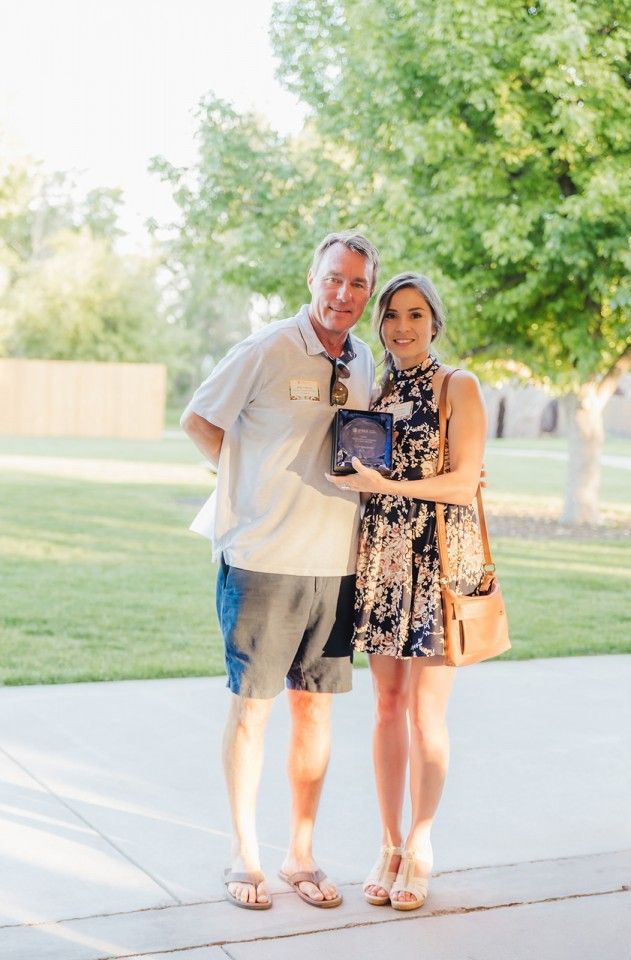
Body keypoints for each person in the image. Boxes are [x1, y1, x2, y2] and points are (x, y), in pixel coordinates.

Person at [181, 232, 379, 910]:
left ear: (368, 291)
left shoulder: (365, 359)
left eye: (357, 283)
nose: (343, 294)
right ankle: (245, 855)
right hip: (263, 561)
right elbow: (198, 418)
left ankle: (301, 855)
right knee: (253, 711)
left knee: (315, 713)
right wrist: (245, 480)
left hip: (337, 566)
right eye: (334, 279)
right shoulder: (265, 348)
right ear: (312, 277)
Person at [325, 272, 487, 911]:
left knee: (427, 713)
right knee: (387, 706)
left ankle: (421, 843)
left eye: (415, 315)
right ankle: (388, 843)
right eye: (391, 315)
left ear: (434, 323)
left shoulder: (459, 386)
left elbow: (464, 482)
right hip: (385, 562)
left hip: (440, 561)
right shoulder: (376, 389)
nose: (401, 327)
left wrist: (389, 487)